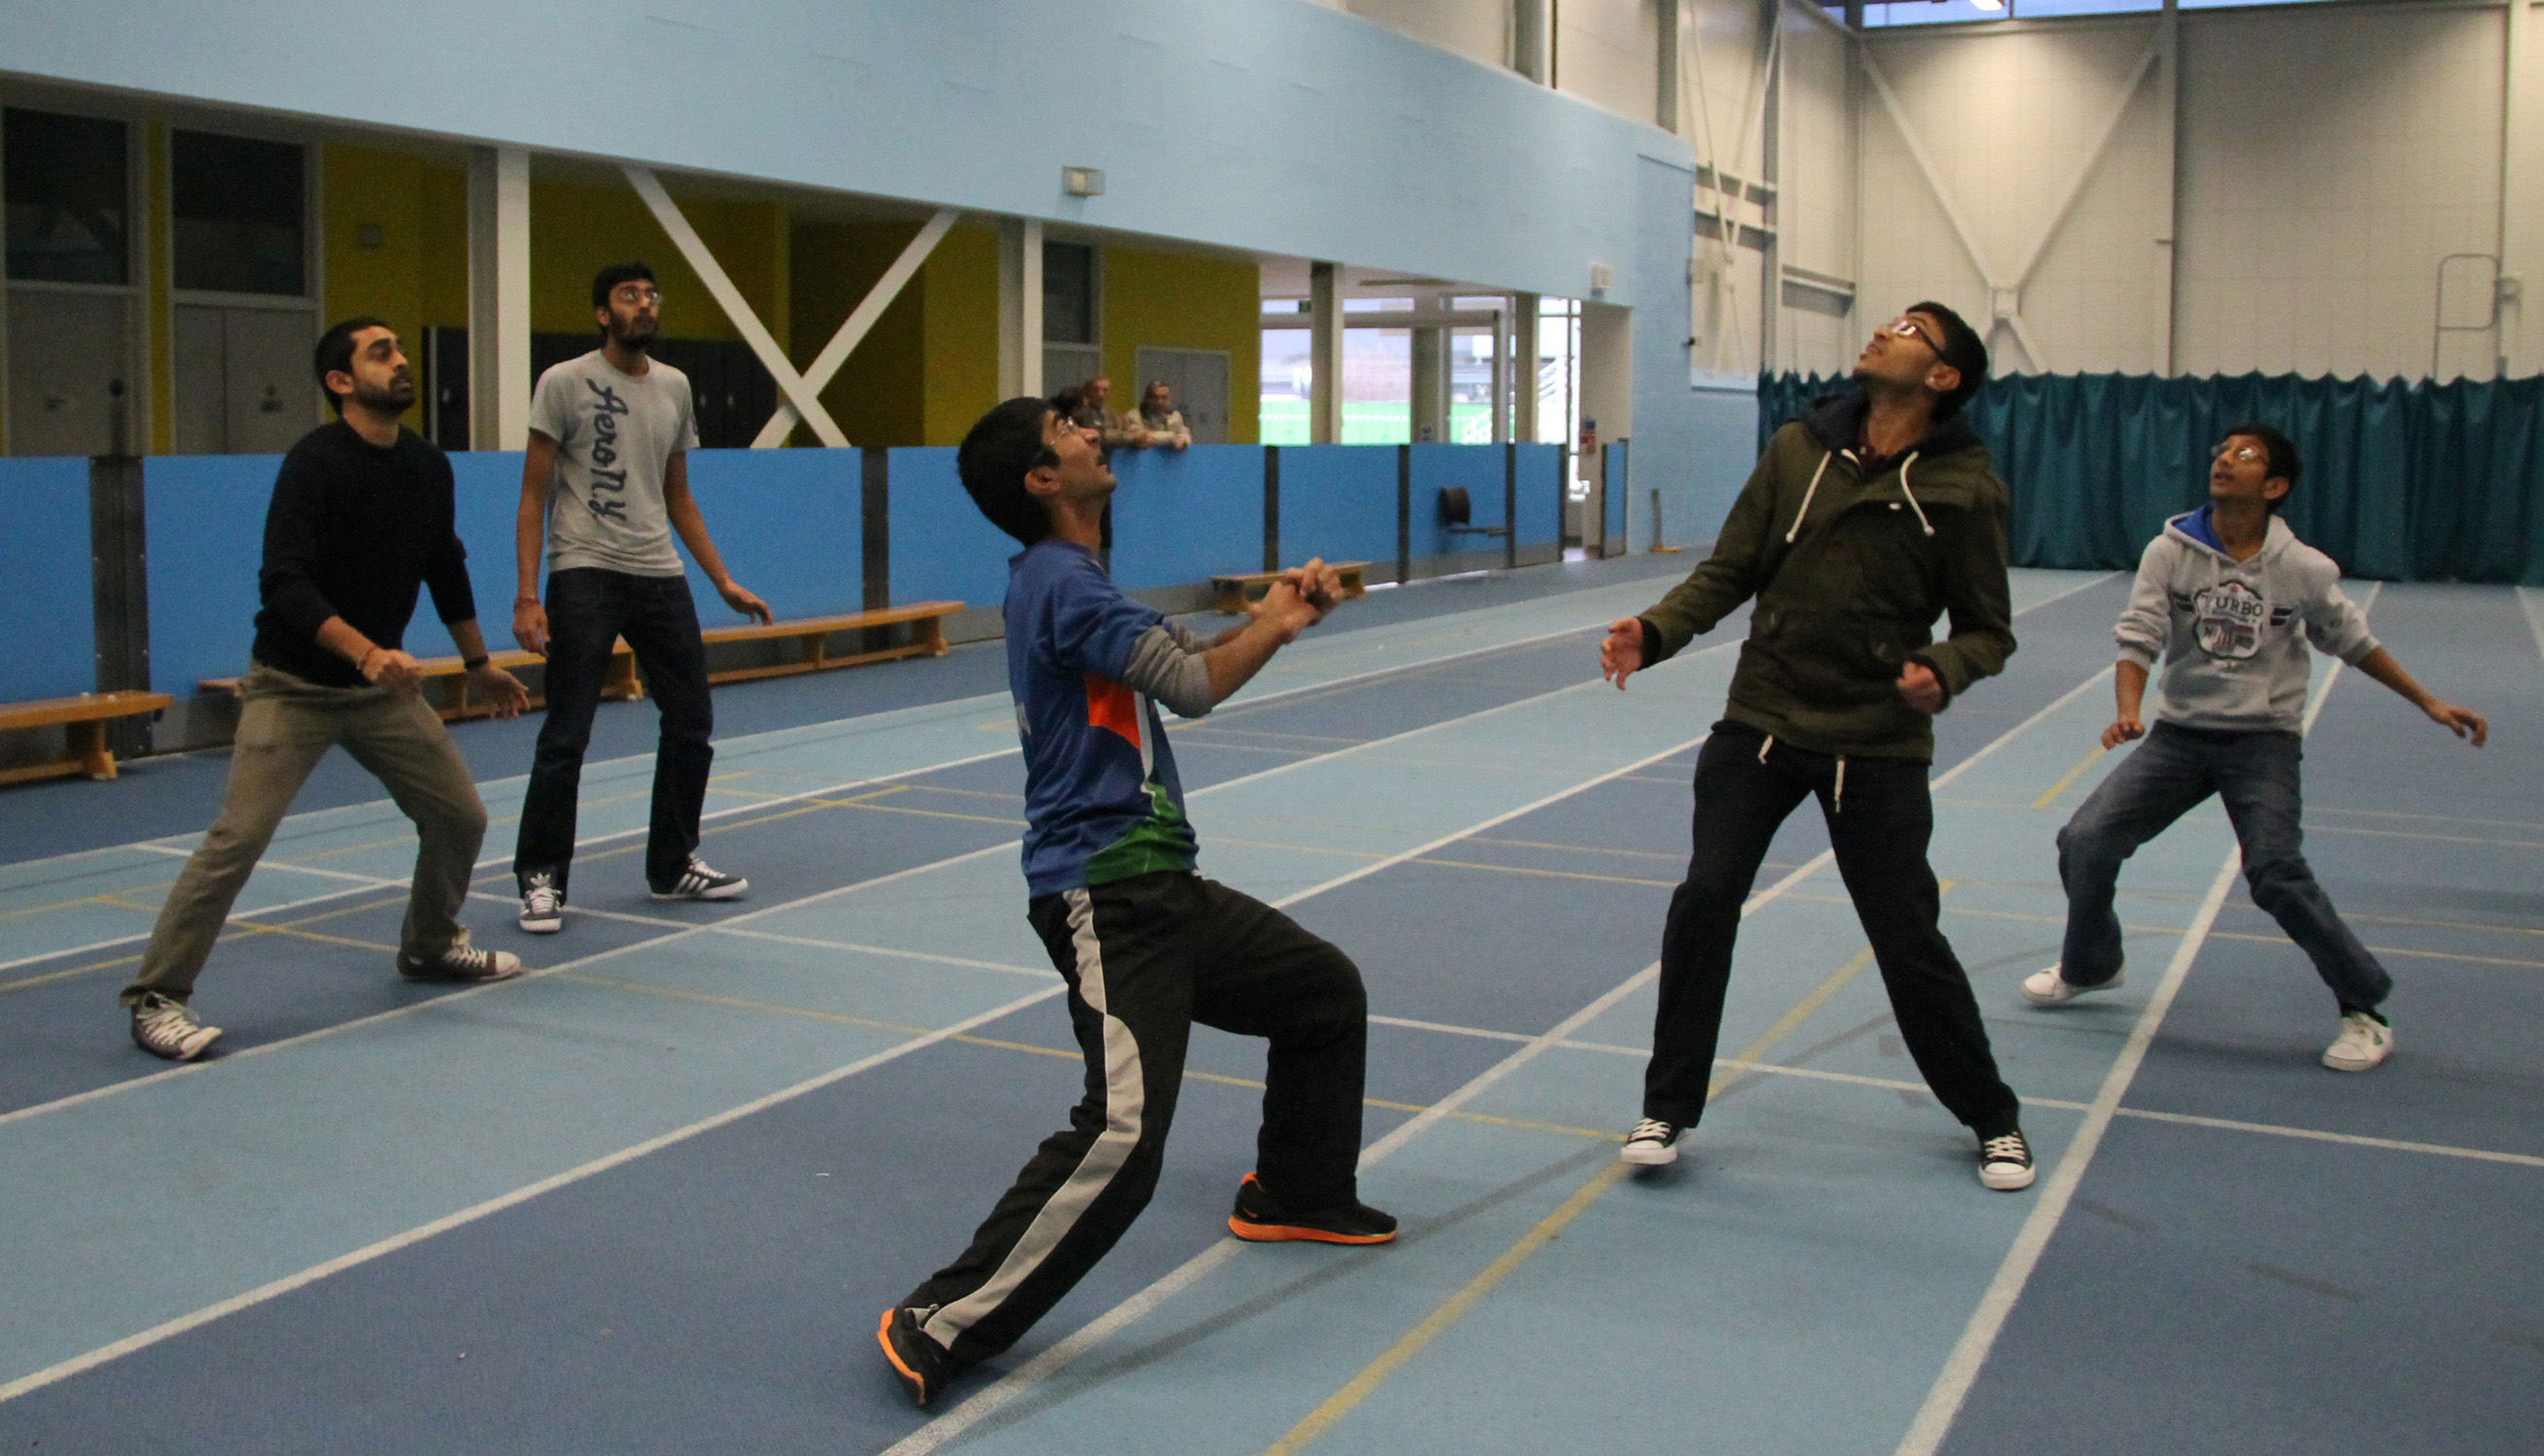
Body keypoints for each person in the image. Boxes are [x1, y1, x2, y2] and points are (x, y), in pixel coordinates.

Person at [875, 398, 1392, 1408]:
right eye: (1067, 427)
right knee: (1123, 1133)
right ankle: (942, 1315)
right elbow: (1191, 686)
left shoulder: (1068, 581)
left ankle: (1295, 1189)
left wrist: (1267, 612)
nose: (1089, 430)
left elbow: (1167, 653)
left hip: (1161, 884)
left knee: (1320, 994)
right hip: (1103, 894)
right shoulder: (1064, 581)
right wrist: (1280, 624)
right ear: (1041, 479)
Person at [1600, 303, 2037, 1191]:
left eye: (1911, 330)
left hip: (1874, 746)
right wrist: (1655, 632)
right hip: (1761, 722)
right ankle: (1667, 1106)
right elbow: (1730, 570)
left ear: (1943, 377)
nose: (1885, 331)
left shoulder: (1965, 486)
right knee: (1704, 902)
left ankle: (1992, 1116)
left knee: (1906, 936)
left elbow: (1989, 630)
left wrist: (1943, 671)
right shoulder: (1799, 450)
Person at [121, 318, 528, 1061]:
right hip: (295, 686)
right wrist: (370, 654)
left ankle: (430, 944)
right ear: (341, 382)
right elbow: (284, 584)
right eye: (382, 353)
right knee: (238, 839)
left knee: (459, 817)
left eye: (400, 350)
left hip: (379, 693)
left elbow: (445, 562)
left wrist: (477, 664)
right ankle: (158, 997)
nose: (401, 361)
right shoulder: (314, 465)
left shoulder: (427, 466)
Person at [2025, 424, 2487, 1072]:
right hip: (2180, 737)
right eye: (2220, 450)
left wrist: (2429, 701)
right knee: (2086, 840)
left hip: (2261, 743)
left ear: (2274, 486)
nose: (2224, 459)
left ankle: (2364, 1009)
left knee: (2275, 871)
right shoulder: (2170, 551)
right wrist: (2129, 712)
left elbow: (2353, 641)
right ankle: (2092, 964)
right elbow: (2138, 638)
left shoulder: (2303, 569)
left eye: (2244, 455)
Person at [510, 261, 772, 934]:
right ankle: (541, 876)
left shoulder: (676, 387)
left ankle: (672, 862)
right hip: (584, 570)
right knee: (568, 731)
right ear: (604, 313)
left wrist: (721, 578)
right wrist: (526, 596)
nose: (645, 305)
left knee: (691, 720)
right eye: (630, 296)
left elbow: (678, 495)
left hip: (659, 572)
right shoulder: (563, 383)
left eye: (652, 296)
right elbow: (533, 494)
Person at [1133, 380, 1192, 450]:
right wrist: (1172, 437)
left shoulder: (1175, 416)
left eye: (1164, 397)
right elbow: (1142, 439)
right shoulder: (1135, 416)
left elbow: (1186, 435)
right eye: (1155, 397)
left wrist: (1182, 440)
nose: (1159, 402)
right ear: (1147, 398)